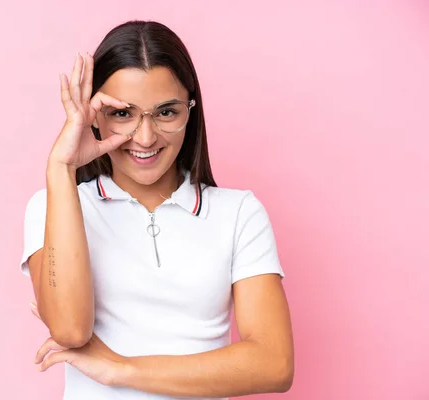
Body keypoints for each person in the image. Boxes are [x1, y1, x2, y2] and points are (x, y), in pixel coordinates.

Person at [20, 20, 294, 400]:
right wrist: (61, 168)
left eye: (166, 112)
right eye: (122, 113)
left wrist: (122, 368)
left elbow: (273, 364)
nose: (145, 138)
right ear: (94, 114)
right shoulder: (55, 205)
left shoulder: (238, 214)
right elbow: (69, 330)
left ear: (190, 111)